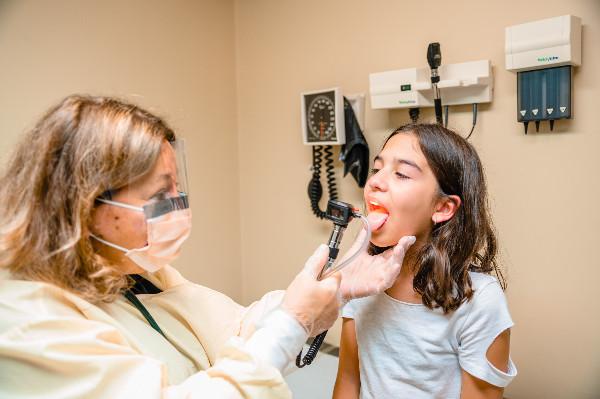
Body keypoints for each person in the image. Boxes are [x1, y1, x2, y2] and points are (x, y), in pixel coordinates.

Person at [0, 95, 413, 398]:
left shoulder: (132, 273)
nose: (179, 205)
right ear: (84, 204)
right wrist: (294, 323)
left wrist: (336, 286)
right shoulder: (24, 321)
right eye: (161, 193)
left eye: (178, 187)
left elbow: (234, 327)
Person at [333, 123, 517, 399]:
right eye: (376, 169)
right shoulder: (359, 281)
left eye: (402, 174)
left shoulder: (479, 303)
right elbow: (348, 380)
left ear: (442, 207)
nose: (374, 182)